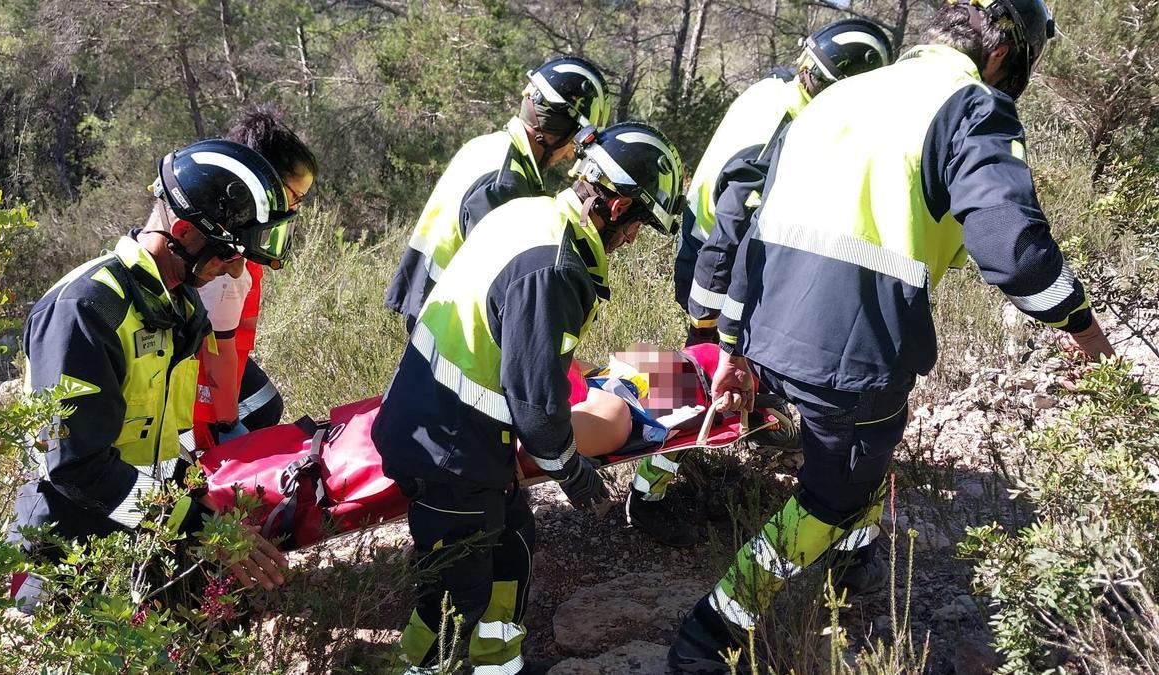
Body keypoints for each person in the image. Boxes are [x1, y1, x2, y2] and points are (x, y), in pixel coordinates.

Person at [668, 0, 1116, 670]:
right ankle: (713, 630)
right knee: (832, 492)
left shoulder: (842, 96)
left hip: (768, 316)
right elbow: (1014, 249)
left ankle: (847, 572)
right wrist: (1083, 329)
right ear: (1005, 52)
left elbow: (753, 221)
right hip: (854, 343)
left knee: (866, 457)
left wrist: (731, 343)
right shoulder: (969, 105)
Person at [373, 122, 685, 674]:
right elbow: (537, 409)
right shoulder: (555, 268)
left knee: (514, 546)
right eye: (638, 224)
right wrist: (574, 474)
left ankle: (501, 665)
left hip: (454, 434)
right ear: (616, 208)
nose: (635, 239)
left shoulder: (530, 212)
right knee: (453, 598)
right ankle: (418, 667)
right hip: (449, 451)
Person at [630, 19, 894, 549]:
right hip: (721, 259)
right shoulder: (789, 125)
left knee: (704, 368)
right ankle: (647, 492)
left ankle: (752, 419)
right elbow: (735, 222)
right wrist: (710, 323)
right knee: (702, 372)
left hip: (703, 243)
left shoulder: (774, 86)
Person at [10, 140, 298, 610]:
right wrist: (199, 526)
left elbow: (163, 443)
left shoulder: (178, 306)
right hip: (68, 554)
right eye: (228, 254)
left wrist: (210, 510)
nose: (238, 267)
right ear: (183, 231)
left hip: (143, 530)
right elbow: (75, 466)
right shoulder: (85, 311)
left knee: (224, 632)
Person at [383, 56, 611, 331]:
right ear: (556, 132)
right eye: (572, 144)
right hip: (450, 323)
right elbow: (502, 277)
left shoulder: (489, 146)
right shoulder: (507, 183)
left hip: (428, 302)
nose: (568, 156)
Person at [191, 107, 318, 449]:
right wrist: (228, 422)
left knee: (266, 404)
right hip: (196, 380)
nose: (295, 210)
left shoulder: (233, 230)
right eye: (295, 198)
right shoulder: (224, 259)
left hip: (218, 359)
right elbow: (218, 349)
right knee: (246, 422)